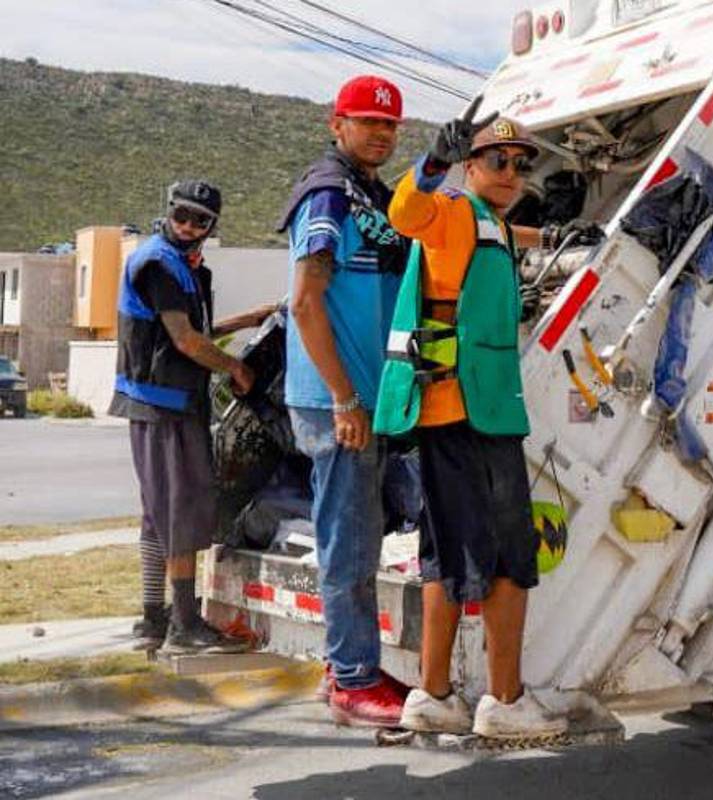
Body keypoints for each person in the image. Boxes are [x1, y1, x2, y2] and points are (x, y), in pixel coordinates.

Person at [378, 102, 572, 739]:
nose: (511, 170)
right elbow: (407, 212)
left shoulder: (491, 222)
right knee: (509, 557)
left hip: (452, 412)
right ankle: (506, 702)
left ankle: (434, 695)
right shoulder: (454, 209)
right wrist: (431, 163)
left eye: (521, 163)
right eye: (497, 159)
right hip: (472, 414)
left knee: (445, 553)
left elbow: (512, 242)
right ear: (469, 164)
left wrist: (573, 240)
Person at [278, 74, 413, 728]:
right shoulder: (328, 197)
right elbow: (305, 302)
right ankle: (353, 680)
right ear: (337, 124)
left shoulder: (369, 195)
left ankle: (347, 664)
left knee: (362, 532)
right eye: (367, 122)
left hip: (368, 398)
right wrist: (342, 398)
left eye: (389, 124)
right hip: (341, 402)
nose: (380, 132)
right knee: (349, 542)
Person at [113, 180, 264, 655]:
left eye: (201, 220)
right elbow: (184, 341)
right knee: (179, 511)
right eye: (183, 215)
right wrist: (236, 367)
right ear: (169, 211)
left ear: (212, 226)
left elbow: (190, 331)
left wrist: (249, 319)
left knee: (159, 513)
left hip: (163, 402)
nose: (189, 225)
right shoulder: (159, 264)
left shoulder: (184, 268)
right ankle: (183, 626)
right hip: (163, 405)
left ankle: (154, 618)